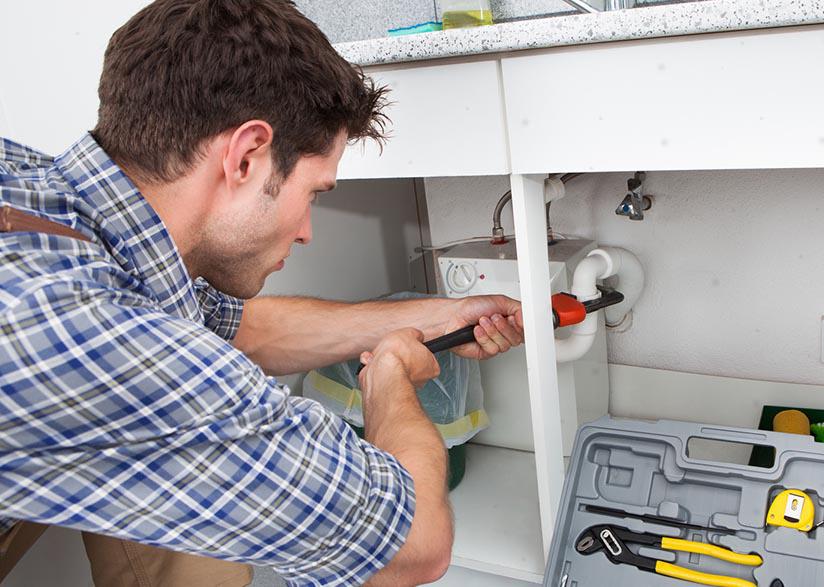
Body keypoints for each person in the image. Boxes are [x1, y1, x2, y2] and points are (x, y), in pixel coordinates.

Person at [0, 1, 525, 585]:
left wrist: (443, 315)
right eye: (314, 194)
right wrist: (390, 380)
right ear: (246, 156)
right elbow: (415, 545)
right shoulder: (84, 331)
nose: (306, 231)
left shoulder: (40, 192)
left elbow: (240, 330)